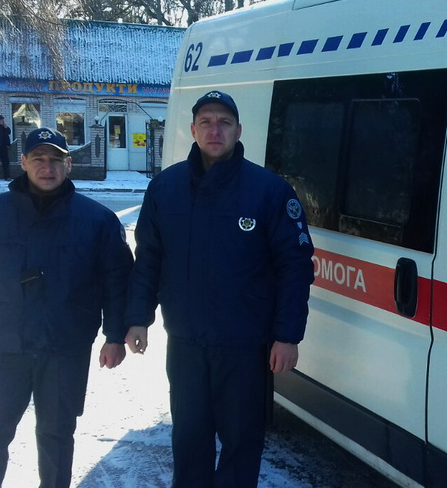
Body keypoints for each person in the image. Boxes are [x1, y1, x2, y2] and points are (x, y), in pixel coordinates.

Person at [124, 90, 315, 487]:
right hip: (186, 344)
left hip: (244, 347)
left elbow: (294, 267)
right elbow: (149, 259)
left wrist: (287, 336)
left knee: (241, 443)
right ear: (193, 130)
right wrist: (138, 317)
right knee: (189, 440)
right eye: (207, 122)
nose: (215, 130)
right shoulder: (165, 188)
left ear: (238, 131)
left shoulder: (269, 191)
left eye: (224, 123)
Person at [0, 127, 134, 488]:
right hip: (6, 347)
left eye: (56, 160)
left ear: (69, 164)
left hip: (65, 348)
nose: (48, 167)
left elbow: (116, 282)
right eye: (39, 159)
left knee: (57, 435)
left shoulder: (97, 221)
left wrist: (115, 336)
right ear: (24, 162)